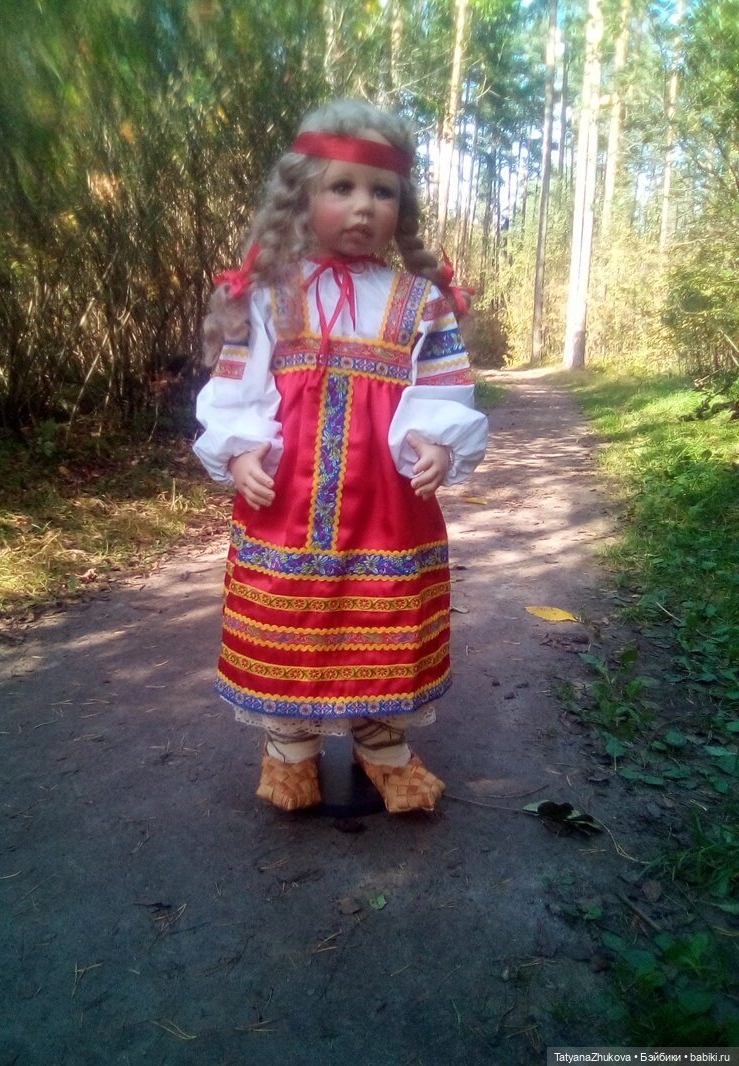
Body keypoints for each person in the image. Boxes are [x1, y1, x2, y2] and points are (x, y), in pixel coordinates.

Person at [193, 98, 488, 815]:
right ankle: (290, 748)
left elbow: (443, 385)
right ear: (303, 197)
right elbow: (237, 385)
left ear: (400, 207)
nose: (363, 206)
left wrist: (435, 441)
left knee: (382, 622)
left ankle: (381, 744)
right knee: (290, 623)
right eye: (343, 187)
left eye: (382, 192)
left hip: (387, 503)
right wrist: (240, 452)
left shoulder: (418, 301)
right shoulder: (270, 296)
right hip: (286, 500)